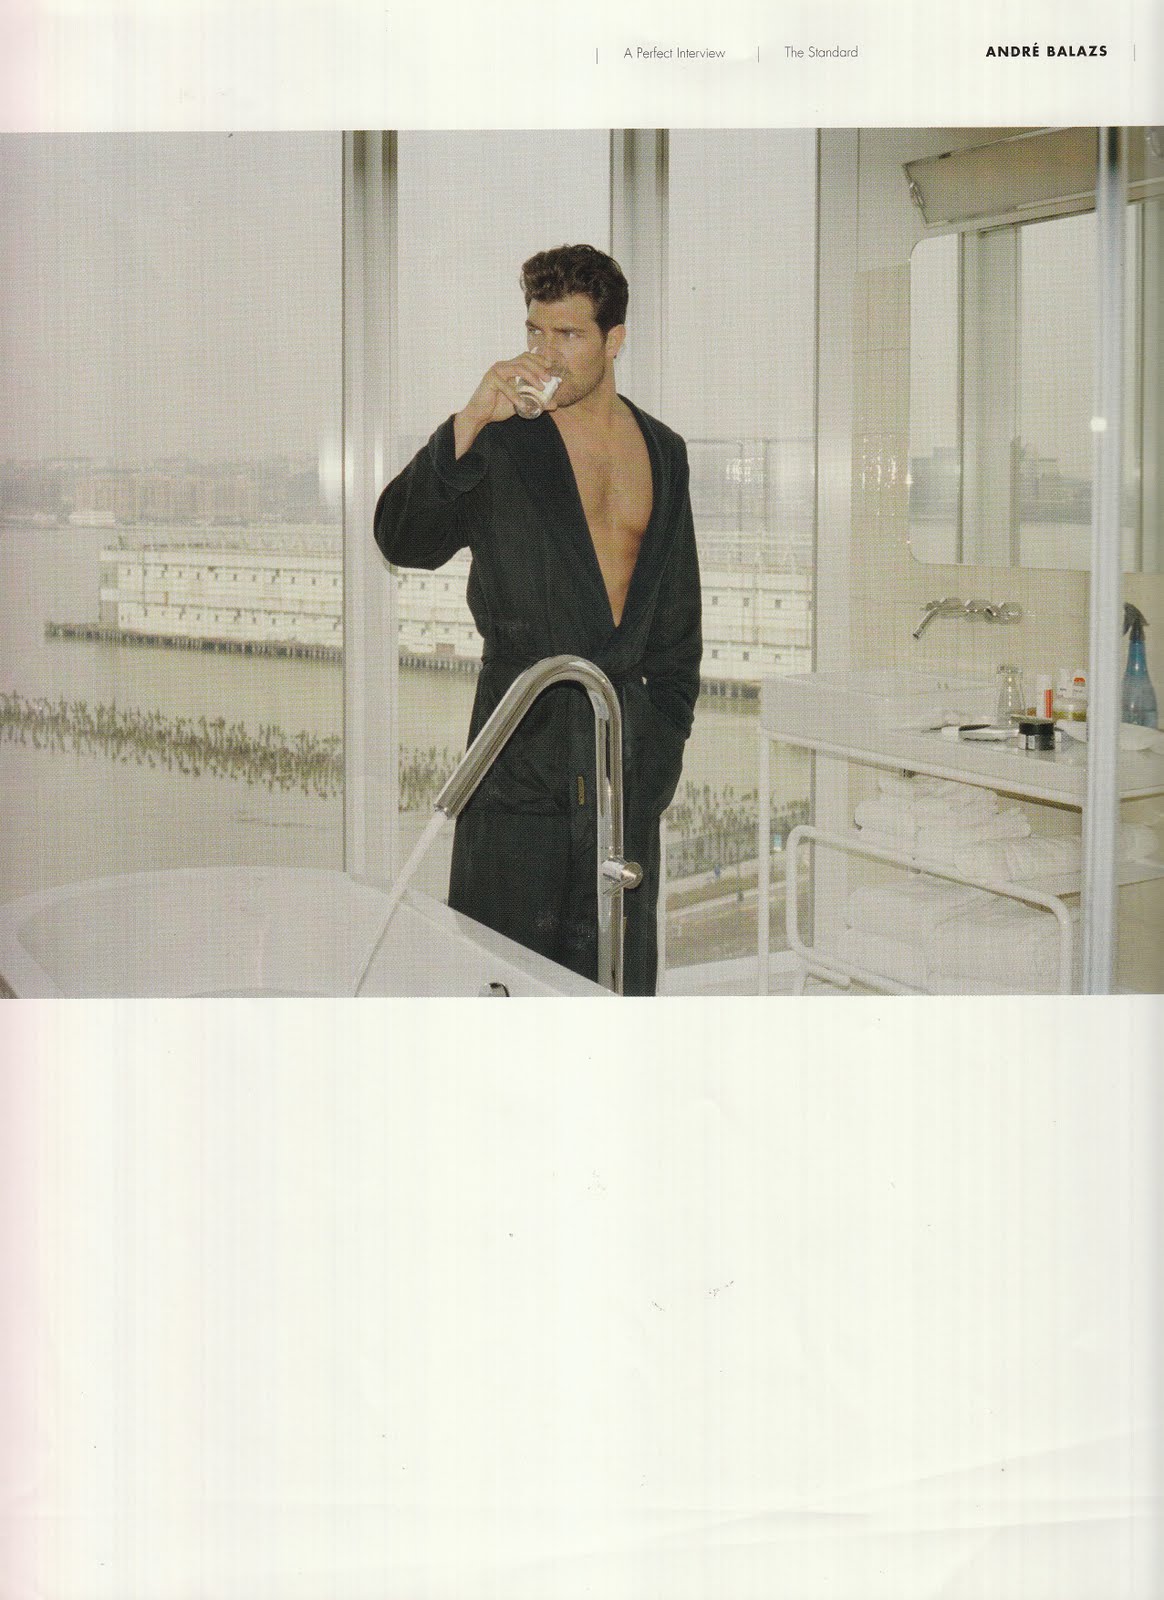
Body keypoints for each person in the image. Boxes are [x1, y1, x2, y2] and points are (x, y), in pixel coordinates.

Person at [374, 244, 701, 995]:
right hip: (517, 757)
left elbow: (678, 626)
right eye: (534, 331)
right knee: (501, 989)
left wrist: (657, 757)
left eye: (567, 335)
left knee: (615, 986)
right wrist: (470, 419)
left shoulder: (664, 451)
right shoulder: (502, 438)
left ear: (614, 340)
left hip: (621, 767)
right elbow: (402, 539)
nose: (543, 353)